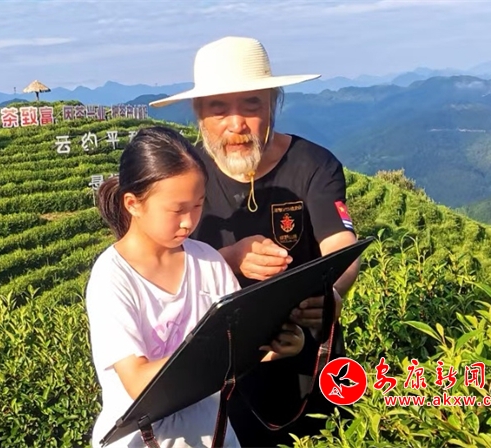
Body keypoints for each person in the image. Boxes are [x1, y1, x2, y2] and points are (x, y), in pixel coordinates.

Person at [149, 37, 361, 447]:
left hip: (309, 364)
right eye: (218, 109)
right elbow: (157, 266)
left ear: (272, 104)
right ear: (199, 114)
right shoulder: (184, 178)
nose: (237, 124)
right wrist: (227, 259)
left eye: (251, 105)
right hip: (216, 378)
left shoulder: (313, 165)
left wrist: (330, 294)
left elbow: (341, 245)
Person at [85, 125, 306, 448]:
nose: (189, 221)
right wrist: (218, 352)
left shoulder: (208, 261)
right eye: (177, 210)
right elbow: (138, 382)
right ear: (133, 203)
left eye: (198, 205)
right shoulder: (113, 277)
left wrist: (275, 345)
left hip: (214, 437)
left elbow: (238, 349)